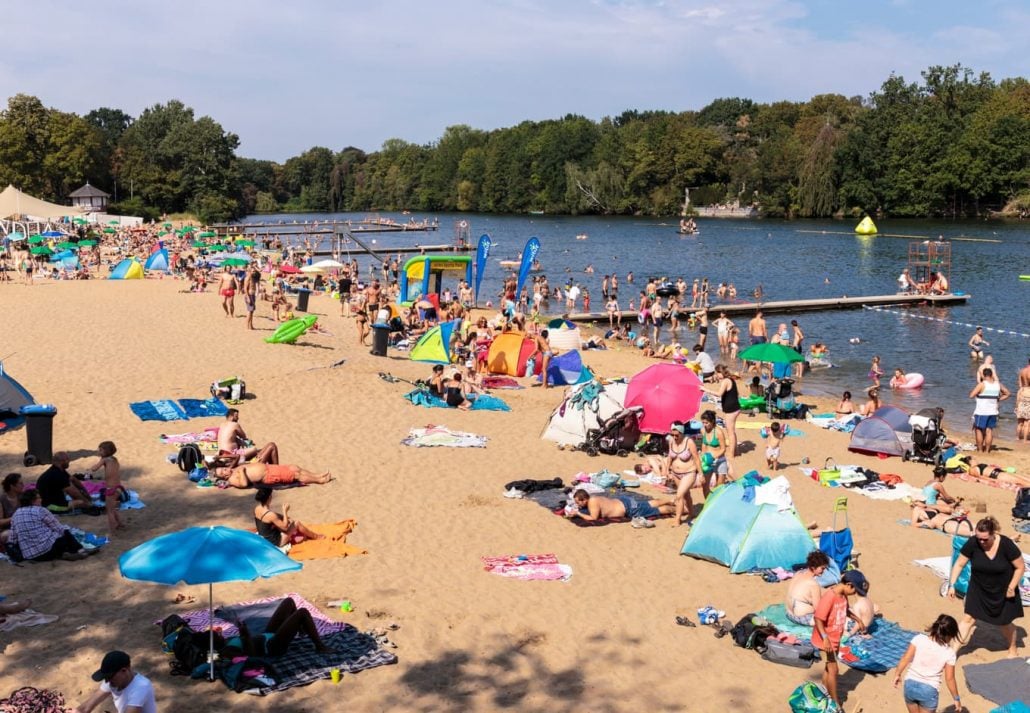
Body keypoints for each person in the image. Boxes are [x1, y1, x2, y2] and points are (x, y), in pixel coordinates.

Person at [947, 516, 1024, 657]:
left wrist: (1012, 587)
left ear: (993, 534)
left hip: (1003, 590)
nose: (981, 542)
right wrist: (951, 584)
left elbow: (1020, 567)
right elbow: (959, 564)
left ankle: (1012, 648)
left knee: (1004, 623)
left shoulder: (1006, 545)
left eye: (985, 539)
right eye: (979, 538)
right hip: (978, 588)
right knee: (968, 619)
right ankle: (952, 653)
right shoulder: (973, 543)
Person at [812, 570, 869, 708]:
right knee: (834, 670)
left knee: (829, 669)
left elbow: (846, 609)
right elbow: (818, 618)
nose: (855, 594)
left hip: (835, 638)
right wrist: (825, 638)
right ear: (849, 585)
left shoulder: (843, 596)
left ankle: (824, 692)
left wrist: (858, 620)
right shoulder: (830, 597)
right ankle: (836, 703)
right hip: (825, 640)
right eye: (855, 591)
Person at [225, 597, 331, 657]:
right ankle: (320, 646)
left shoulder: (226, 640)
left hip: (266, 635)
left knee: (289, 601)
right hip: (271, 647)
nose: (217, 633)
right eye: (215, 635)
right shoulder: (228, 650)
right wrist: (245, 636)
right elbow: (250, 657)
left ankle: (300, 629)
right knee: (302, 612)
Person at [8, 490, 95, 561]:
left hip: (30, 555)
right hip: (47, 550)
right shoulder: (40, 510)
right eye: (39, 498)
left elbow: (12, 538)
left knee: (53, 537)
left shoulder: (16, 514)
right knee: (65, 531)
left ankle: (64, 554)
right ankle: (80, 550)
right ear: (33, 501)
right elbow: (58, 528)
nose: (41, 500)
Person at [646, 422, 705, 527]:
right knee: (686, 495)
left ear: (682, 433)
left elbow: (696, 458)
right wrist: (667, 470)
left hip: (689, 473)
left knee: (679, 495)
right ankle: (692, 513)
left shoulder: (689, 442)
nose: (674, 437)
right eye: (672, 434)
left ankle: (677, 520)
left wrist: (701, 474)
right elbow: (670, 456)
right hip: (675, 473)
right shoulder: (671, 441)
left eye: (677, 435)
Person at [73, 650, 157, 713]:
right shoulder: (112, 681)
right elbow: (87, 707)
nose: (107, 681)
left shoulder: (141, 687)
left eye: (110, 677)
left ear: (124, 670)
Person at [253, 487, 322, 549]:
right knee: (296, 523)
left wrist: (284, 517)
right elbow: (285, 527)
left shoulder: (257, 509)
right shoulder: (271, 515)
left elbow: (270, 517)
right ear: (269, 498)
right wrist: (285, 511)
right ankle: (316, 536)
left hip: (264, 538)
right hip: (276, 542)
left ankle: (302, 536)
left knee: (284, 522)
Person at [567, 489, 674, 527]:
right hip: (624, 500)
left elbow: (594, 518)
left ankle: (680, 510)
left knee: (656, 510)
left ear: (584, 499)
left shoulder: (592, 502)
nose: (578, 505)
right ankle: (671, 500)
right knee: (649, 503)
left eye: (578, 502)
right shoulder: (594, 498)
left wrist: (578, 514)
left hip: (628, 508)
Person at [969, 367, 1009, 453]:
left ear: (983, 375)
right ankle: (987, 450)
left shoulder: (982, 384)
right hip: (993, 411)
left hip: (981, 411)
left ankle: (980, 450)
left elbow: (971, 395)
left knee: (978, 429)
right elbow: (1007, 393)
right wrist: (998, 399)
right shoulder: (997, 384)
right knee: (989, 430)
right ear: (991, 375)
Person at [784, 551, 831, 625]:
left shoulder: (798, 574)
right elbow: (818, 609)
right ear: (813, 567)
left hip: (788, 613)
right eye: (822, 568)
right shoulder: (813, 584)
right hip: (802, 618)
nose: (823, 571)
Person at [706, 364, 740, 460]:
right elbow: (736, 394)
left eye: (717, 373)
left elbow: (719, 394)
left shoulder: (725, 381)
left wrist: (706, 390)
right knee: (732, 431)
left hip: (731, 409)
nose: (717, 375)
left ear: (721, 372)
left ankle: (732, 454)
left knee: (730, 432)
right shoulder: (731, 379)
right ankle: (736, 451)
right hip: (734, 407)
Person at [90, 441, 124, 533]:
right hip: (118, 487)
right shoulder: (115, 459)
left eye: (100, 450)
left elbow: (94, 469)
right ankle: (120, 523)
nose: (98, 452)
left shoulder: (104, 459)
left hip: (110, 489)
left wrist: (94, 465)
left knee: (109, 511)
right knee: (113, 508)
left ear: (106, 451)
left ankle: (113, 529)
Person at [212, 463, 331, 488]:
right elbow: (243, 484)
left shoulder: (233, 469)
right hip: (268, 475)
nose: (225, 470)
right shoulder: (233, 479)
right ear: (224, 477)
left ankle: (317, 475)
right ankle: (319, 481)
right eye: (222, 472)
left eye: (223, 468)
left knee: (295, 467)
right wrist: (242, 471)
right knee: (295, 475)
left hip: (269, 468)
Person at [699, 410, 730, 486]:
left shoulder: (719, 432)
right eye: (703, 423)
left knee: (719, 486)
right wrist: (702, 456)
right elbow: (704, 444)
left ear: (712, 421)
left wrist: (713, 457)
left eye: (706, 423)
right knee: (705, 484)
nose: (704, 425)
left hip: (719, 460)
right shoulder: (703, 430)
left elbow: (723, 449)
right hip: (707, 461)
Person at [0, 472, 23, 545]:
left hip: (23, 526)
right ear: (12, 486)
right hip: (9, 529)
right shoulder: (2, 500)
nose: (23, 485)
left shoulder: (23, 496)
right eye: (20, 483)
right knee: (5, 535)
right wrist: (15, 517)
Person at [1018, 356, 1030, 442]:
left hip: (1022, 393)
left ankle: (1018, 438)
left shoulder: (1022, 371)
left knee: (1020, 421)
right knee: (1027, 421)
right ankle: (1025, 440)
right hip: (1029, 394)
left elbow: (1020, 384)